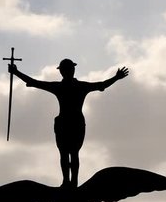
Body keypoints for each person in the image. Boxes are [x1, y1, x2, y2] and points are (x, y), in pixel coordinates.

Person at [9, 58, 129, 187]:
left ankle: (69, 181)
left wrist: (16, 73)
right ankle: (70, 181)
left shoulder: (62, 87)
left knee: (67, 153)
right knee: (70, 153)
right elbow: (101, 85)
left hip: (68, 123)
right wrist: (116, 78)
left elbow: (34, 82)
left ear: (64, 71)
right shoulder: (77, 86)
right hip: (73, 123)